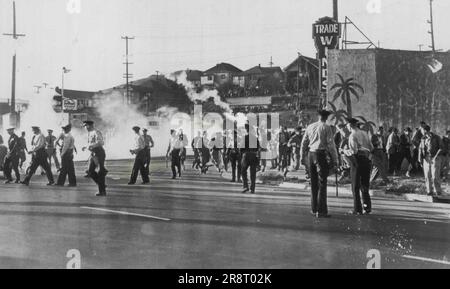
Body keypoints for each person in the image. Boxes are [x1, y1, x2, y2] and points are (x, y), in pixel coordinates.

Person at [300, 110, 338, 218]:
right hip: (320, 155)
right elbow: (331, 145)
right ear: (326, 118)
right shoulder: (327, 127)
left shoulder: (310, 126)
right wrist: (335, 160)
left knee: (313, 182)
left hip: (311, 155)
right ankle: (321, 211)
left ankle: (314, 208)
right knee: (322, 183)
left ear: (318, 117)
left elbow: (304, 143)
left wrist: (302, 157)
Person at [346, 118, 374, 215]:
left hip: (357, 161)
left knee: (355, 186)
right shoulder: (365, 133)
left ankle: (357, 209)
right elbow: (371, 147)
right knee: (365, 185)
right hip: (366, 160)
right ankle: (367, 207)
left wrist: (344, 151)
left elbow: (354, 151)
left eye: (347, 125)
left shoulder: (352, 135)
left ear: (350, 125)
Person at [82, 121, 108, 196]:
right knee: (90, 172)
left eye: (85, 126)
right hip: (93, 154)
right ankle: (101, 184)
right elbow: (90, 143)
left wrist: (92, 146)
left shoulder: (96, 132)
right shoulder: (90, 133)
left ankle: (102, 191)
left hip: (99, 153)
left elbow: (101, 142)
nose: (85, 128)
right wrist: (86, 147)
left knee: (100, 172)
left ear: (89, 125)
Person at [419, 125, 444, 196]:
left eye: (422, 130)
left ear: (426, 130)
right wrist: (420, 159)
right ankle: (429, 191)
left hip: (435, 158)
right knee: (427, 176)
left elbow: (441, 147)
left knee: (435, 176)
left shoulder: (436, 137)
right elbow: (420, 148)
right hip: (426, 159)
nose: (421, 132)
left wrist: (436, 156)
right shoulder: (423, 138)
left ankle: (438, 192)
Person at [241, 123, 260, 194]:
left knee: (243, 171)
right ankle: (252, 188)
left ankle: (245, 186)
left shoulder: (245, 137)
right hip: (254, 155)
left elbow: (241, 148)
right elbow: (258, 148)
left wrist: (242, 153)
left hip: (246, 155)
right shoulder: (255, 138)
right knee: (253, 173)